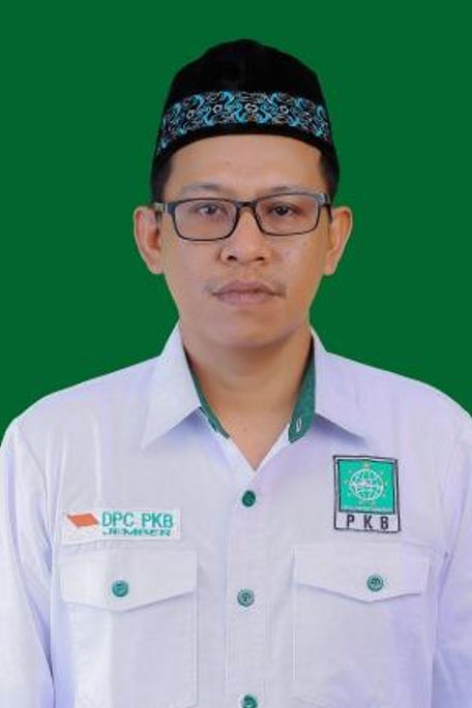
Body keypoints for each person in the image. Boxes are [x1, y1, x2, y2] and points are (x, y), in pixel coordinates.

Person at [0, 38, 471, 708]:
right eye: (208, 211)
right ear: (152, 237)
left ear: (334, 237)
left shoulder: (439, 445)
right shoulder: (53, 448)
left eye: (283, 210)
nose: (245, 247)